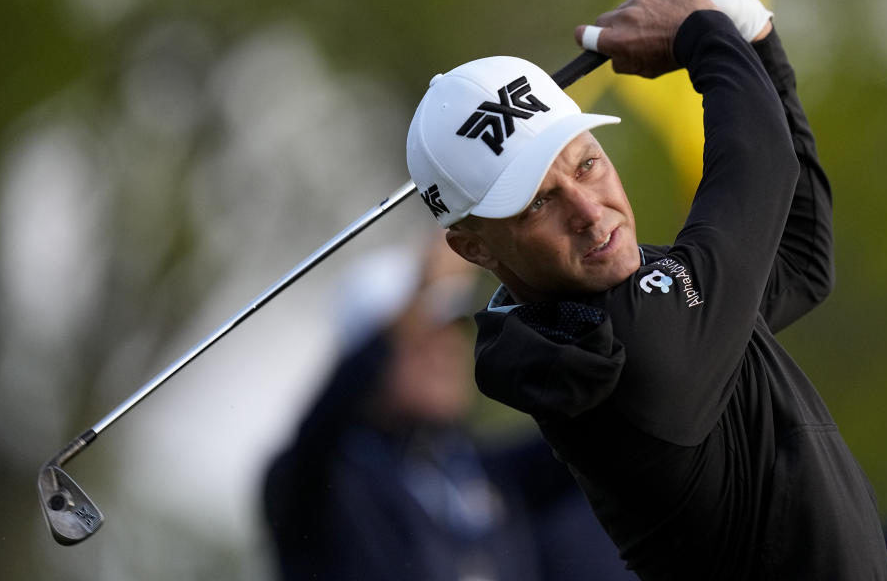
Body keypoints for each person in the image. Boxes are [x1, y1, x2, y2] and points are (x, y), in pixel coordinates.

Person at [405, 0, 887, 580]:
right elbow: (760, 165)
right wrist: (704, 33)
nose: (588, 210)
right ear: (474, 249)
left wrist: (757, 45)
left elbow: (799, 260)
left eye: (586, 165)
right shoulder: (628, 354)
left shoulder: (623, 306)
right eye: (538, 204)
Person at [261, 237, 637, 580]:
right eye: (420, 337)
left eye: (449, 329)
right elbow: (322, 422)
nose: (443, 350)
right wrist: (421, 292)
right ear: (370, 359)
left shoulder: (474, 468)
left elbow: (602, 427)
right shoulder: (317, 487)